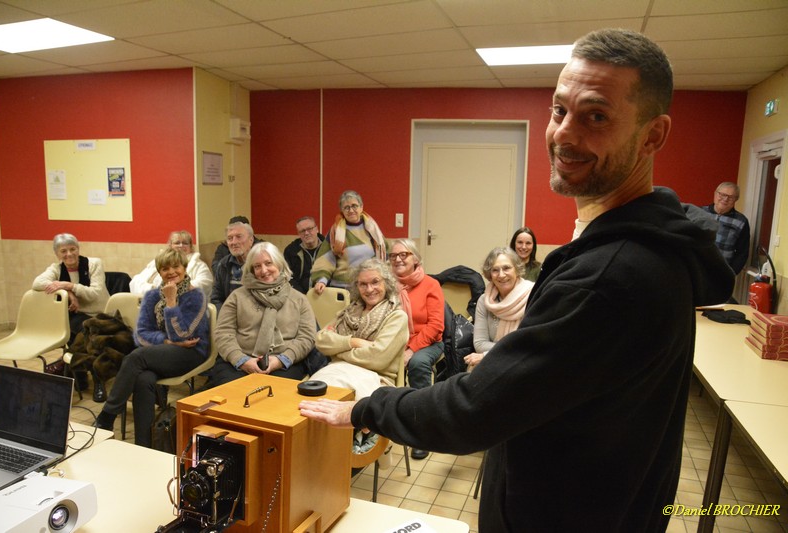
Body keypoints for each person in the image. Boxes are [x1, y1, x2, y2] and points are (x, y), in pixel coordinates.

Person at [300, 28, 734, 532]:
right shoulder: (649, 248)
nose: (565, 133)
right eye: (559, 110)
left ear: (653, 135)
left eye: (596, 116)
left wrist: (367, 408)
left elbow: (472, 410)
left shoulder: (609, 277)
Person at [94, 248, 209, 448]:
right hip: (162, 353)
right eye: (165, 268)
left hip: (191, 353)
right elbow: (141, 334)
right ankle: (144, 445)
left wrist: (171, 302)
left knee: (136, 357)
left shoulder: (196, 296)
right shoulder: (152, 296)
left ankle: (107, 416)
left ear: (184, 268)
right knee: (143, 378)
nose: (171, 272)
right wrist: (167, 342)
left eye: (176, 266)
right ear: (159, 272)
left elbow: (184, 335)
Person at [208, 242, 316, 386]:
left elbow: (307, 337)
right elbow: (223, 333)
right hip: (239, 361)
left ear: (279, 264)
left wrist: (281, 360)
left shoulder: (299, 299)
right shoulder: (237, 297)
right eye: (257, 266)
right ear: (252, 270)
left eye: (268, 263)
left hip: (284, 362)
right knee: (233, 393)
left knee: (274, 394)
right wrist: (241, 360)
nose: (264, 271)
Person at [310, 258, 408, 401]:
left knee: (327, 401)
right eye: (363, 284)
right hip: (336, 370)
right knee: (309, 395)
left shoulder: (397, 316)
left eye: (375, 282)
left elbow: (377, 358)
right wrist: (353, 342)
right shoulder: (349, 311)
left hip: (376, 378)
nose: (369, 289)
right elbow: (321, 340)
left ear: (386, 283)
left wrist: (337, 352)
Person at [389, 239, 444, 460]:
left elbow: (436, 325)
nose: (398, 259)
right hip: (395, 340)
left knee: (418, 364)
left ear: (416, 259)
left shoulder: (431, 284)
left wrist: (411, 350)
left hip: (428, 342)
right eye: (394, 256)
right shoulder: (386, 284)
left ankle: (422, 431)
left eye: (404, 254)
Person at [463, 247, 534, 371]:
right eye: (495, 270)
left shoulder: (532, 295)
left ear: (517, 269)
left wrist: (486, 355)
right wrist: (510, 349)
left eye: (506, 268)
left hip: (524, 362)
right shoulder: (484, 301)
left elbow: (528, 345)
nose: (501, 275)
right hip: (493, 362)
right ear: (489, 274)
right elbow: (480, 344)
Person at [32, 233, 110, 346]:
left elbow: (94, 294)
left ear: (78, 249)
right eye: (63, 251)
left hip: (101, 313)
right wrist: (69, 293)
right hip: (78, 315)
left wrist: (70, 286)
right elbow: (37, 283)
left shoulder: (94, 263)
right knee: (90, 334)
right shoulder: (56, 269)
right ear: (57, 254)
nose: (69, 254)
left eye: (72, 249)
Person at [310, 190, 386, 294]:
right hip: (343, 288)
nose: (351, 210)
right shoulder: (335, 232)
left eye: (354, 206)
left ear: (361, 207)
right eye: (346, 207)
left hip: (368, 287)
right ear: (342, 210)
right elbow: (325, 259)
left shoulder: (373, 230)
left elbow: (386, 253)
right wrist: (321, 280)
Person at [130, 230, 213, 298]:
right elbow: (135, 282)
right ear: (170, 245)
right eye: (177, 243)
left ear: (191, 247)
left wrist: (173, 291)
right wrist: (154, 290)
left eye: (185, 243)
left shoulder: (199, 265)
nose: (181, 246)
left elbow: (204, 284)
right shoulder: (158, 262)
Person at [702, 182, 751, 274]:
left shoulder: (741, 222)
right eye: (722, 194)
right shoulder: (699, 212)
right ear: (715, 194)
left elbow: (742, 253)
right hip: (695, 269)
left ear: (736, 200)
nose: (725, 199)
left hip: (720, 273)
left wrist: (731, 274)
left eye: (731, 197)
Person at [211, 221, 256, 308]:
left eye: (239, 237)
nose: (234, 242)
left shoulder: (261, 264)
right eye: (230, 238)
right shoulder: (223, 265)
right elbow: (216, 299)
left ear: (251, 240)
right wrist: (225, 314)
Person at [284, 216, 326, 294]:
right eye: (302, 231)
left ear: (317, 229)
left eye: (309, 229)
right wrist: (302, 296)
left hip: (325, 292)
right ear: (298, 234)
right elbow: (288, 277)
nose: (306, 233)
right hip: (299, 295)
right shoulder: (291, 251)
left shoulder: (329, 248)